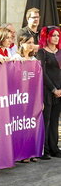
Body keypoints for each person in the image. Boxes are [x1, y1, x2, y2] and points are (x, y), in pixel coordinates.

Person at [36, 26, 61, 160]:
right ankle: (44, 149)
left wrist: (60, 90)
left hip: (60, 91)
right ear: (47, 37)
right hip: (47, 91)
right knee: (46, 120)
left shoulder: (60, 51)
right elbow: (42, 73)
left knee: (55, 121)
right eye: (53, 35)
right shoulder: (42, 52)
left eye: (58, 35)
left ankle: (54, 148)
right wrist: (53, 89)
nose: (56, 38)